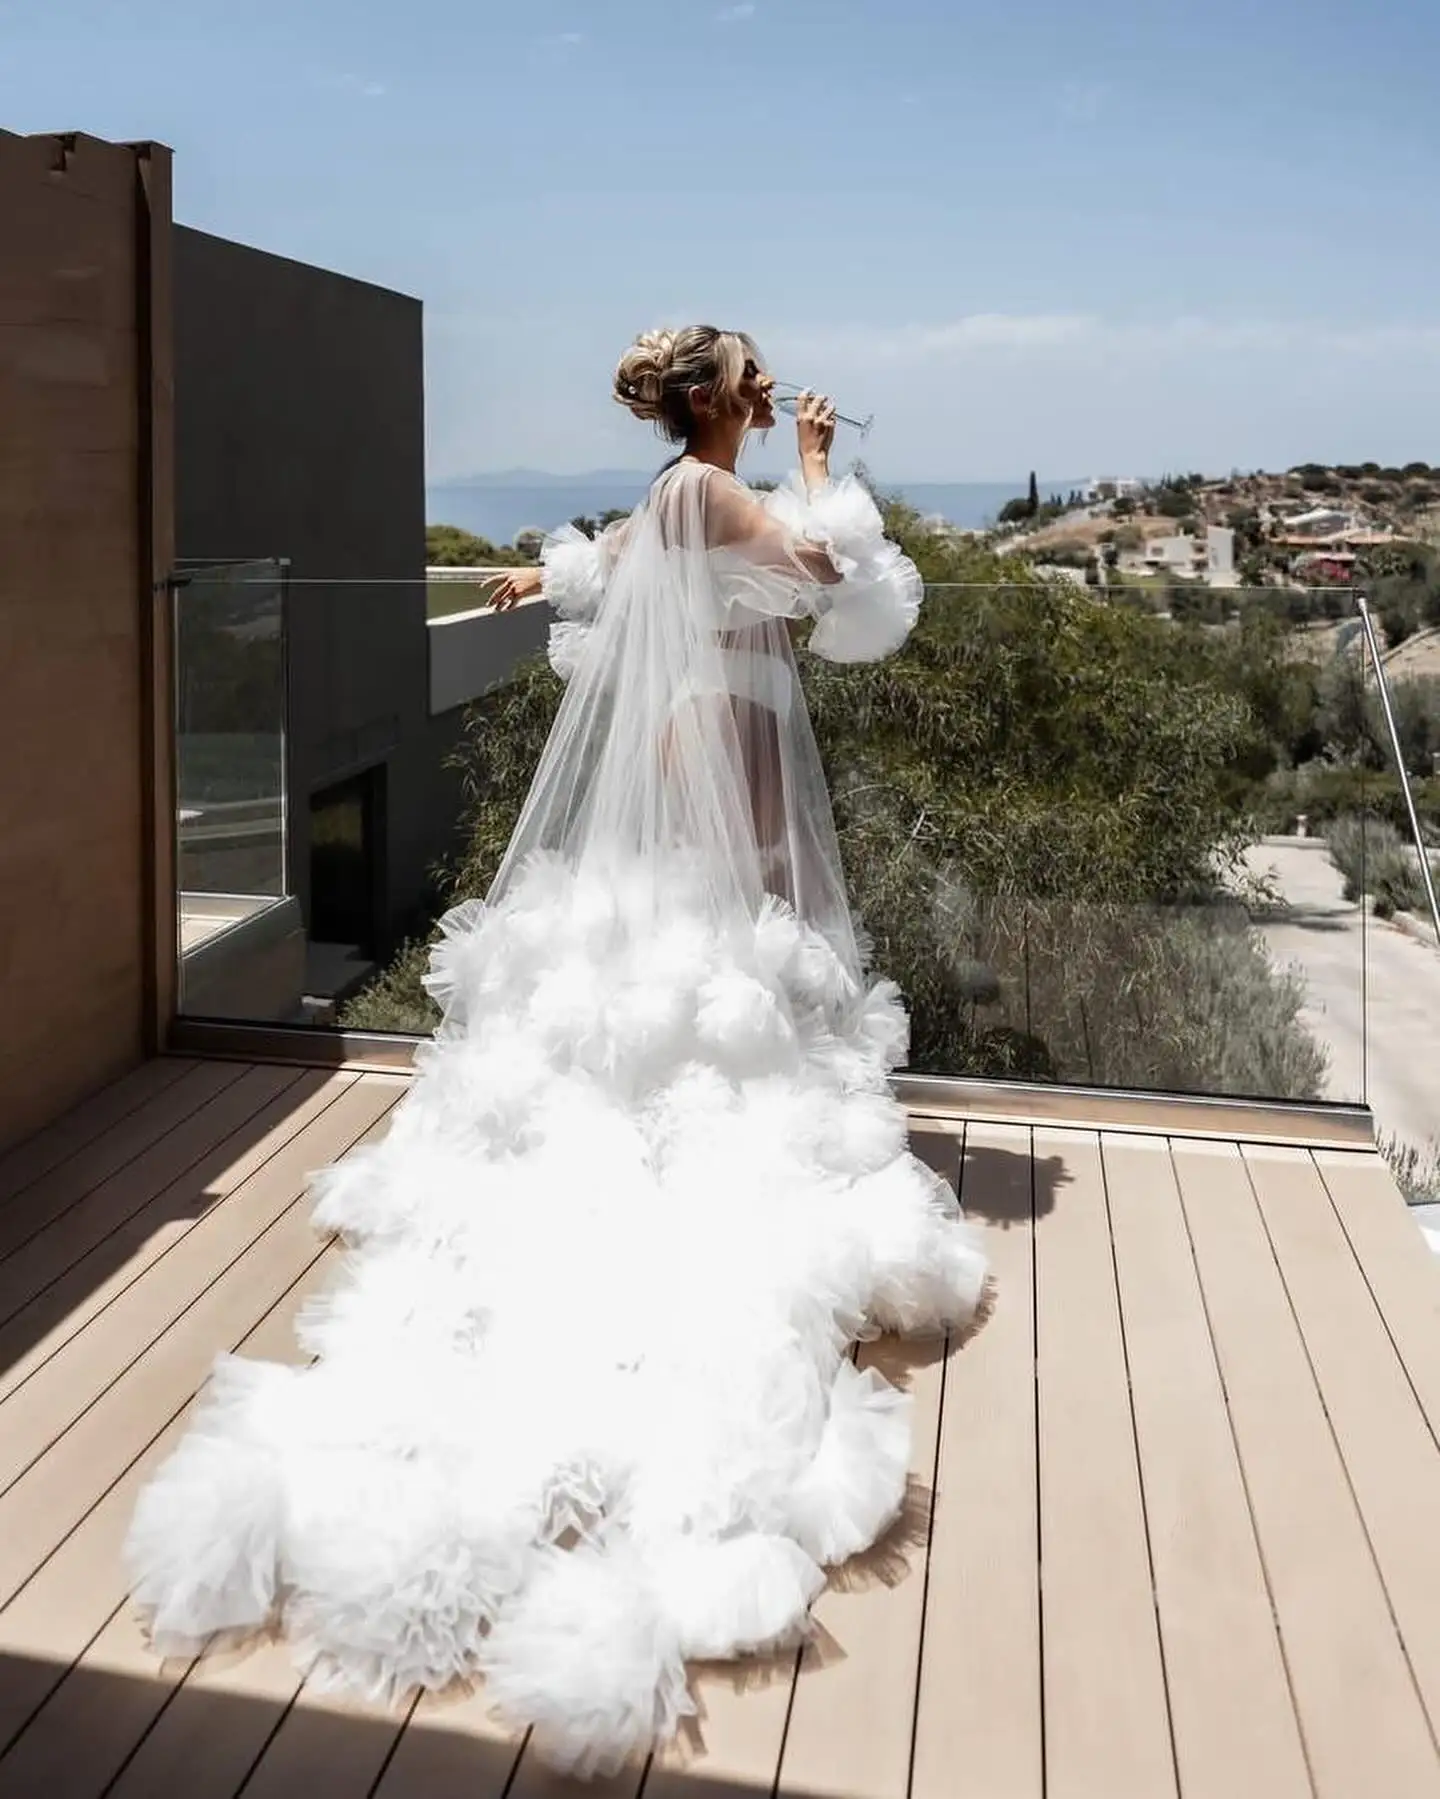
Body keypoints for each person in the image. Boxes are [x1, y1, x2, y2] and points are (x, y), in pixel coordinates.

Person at [125, 326, 988, 1778]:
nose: (772, 390)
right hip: (728, 730)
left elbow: (676, 564)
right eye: (754, 377)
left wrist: (554, 571)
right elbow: (818, 570)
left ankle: (681, 1133)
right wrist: (824, 468)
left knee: (719, 963)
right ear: (713, 402)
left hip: (734, 720)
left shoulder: (678, 498)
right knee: (723, 960)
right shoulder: (711, 491)